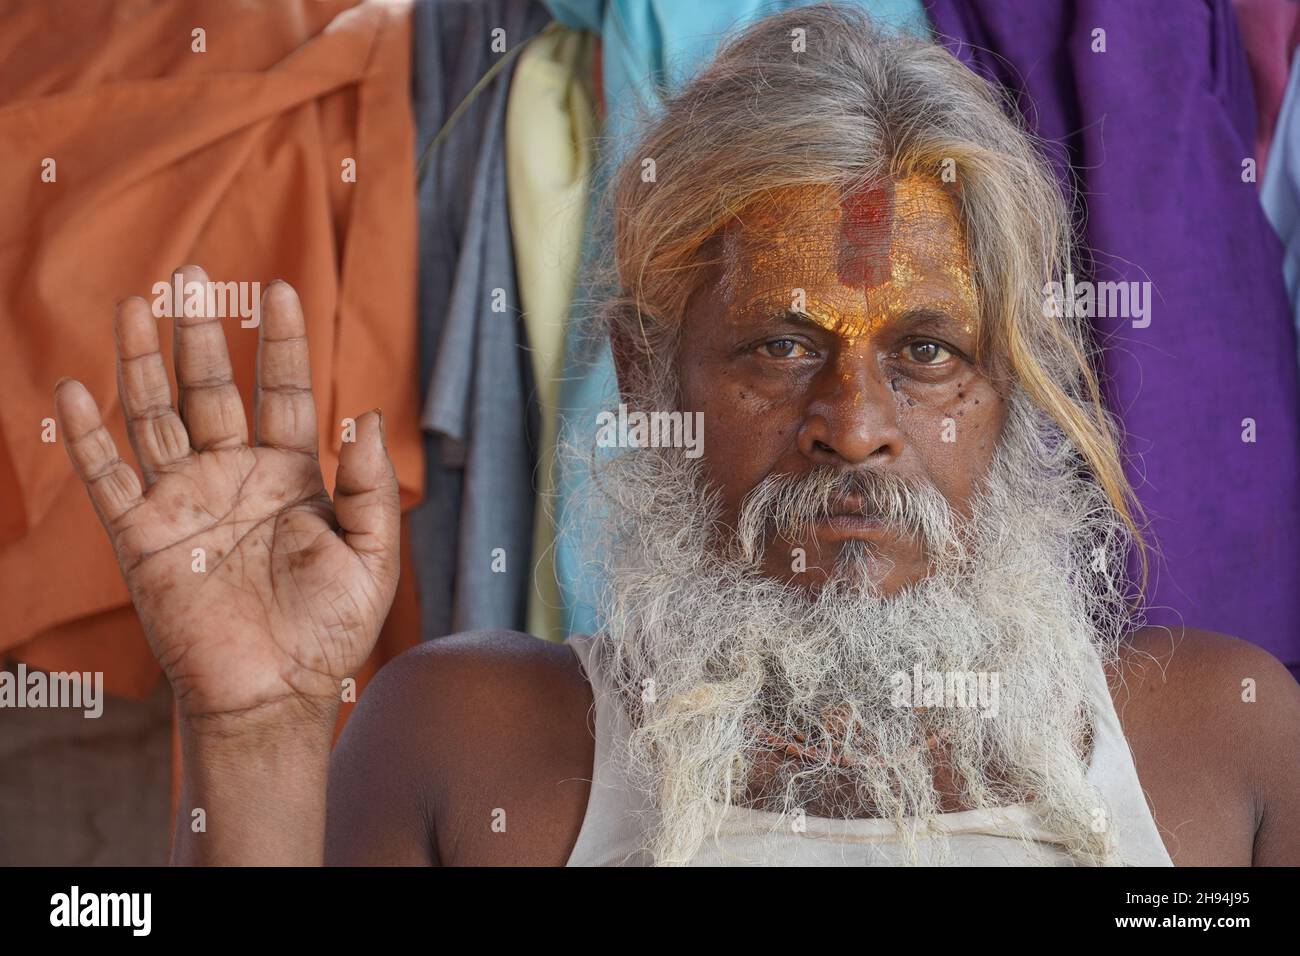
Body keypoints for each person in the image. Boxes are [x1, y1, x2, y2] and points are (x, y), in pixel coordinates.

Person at [53, 4, 1298, 866]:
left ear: (1011, 382)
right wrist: (254, 731)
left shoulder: (1218, 743)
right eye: (780, 347)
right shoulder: (471, 741)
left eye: (927, 352)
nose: (854, 428)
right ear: (649, 370)